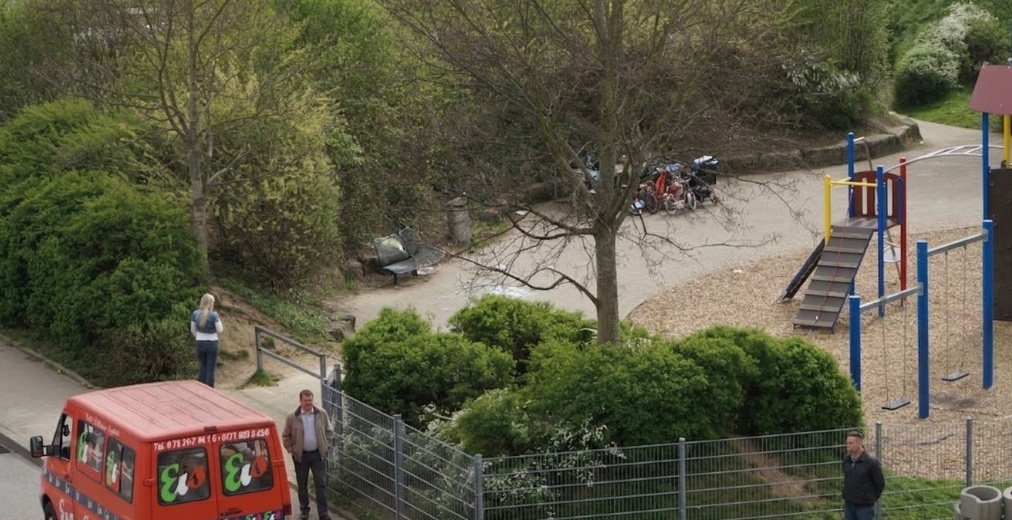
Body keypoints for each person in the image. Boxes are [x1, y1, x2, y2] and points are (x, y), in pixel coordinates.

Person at [282, 389, 333, 520]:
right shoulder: (292, 416)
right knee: (302, 484)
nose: (308, 403)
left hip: (318, 455)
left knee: (320, 484)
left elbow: (329, 430)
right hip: (301, 457)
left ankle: (323, 512)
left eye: (310, 400)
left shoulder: (321, 414)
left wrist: (327, 446)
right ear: (300, 401)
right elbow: (285, 435)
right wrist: (291, 450)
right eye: (305, 400)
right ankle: (304, 510)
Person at [842, 430, 885, 520]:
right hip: (849, 504)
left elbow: (880, 483)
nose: (848, 445)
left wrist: (870, 498)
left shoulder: (871, 463)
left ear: (859, 444)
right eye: (847, 443)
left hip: (865, 507)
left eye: (851, 443)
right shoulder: (846, 460)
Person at [190, 293, 223, 387]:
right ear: (211, 303)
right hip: (212, 343)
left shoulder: (195, 314)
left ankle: (201, 387)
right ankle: (210, 387)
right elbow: (220, 329)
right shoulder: (214, 315)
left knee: (202, 366)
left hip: (200, 342)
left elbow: (193, 330)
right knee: (211, 368)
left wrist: (199, 336)